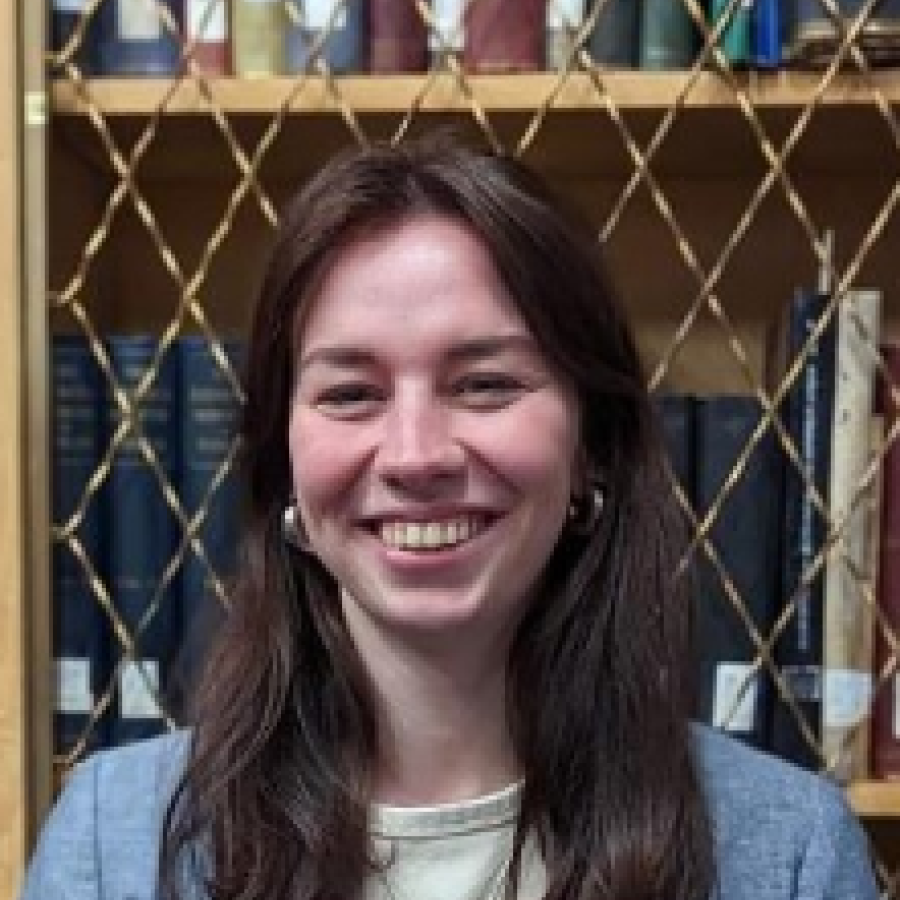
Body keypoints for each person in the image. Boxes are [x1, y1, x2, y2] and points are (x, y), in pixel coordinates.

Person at [21, 136, 878, 900]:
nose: (415, 454)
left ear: (590, 445)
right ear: (282, 459)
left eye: (485, 384)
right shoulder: (112, 846)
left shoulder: (791, 857)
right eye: (351, 393)